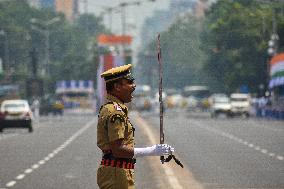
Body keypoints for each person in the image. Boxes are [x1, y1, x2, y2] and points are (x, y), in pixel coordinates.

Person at [97, 64, 174, 189]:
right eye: (129, 82)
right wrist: (152, 151)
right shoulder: (115, 112)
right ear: (117, 87)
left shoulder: (112, 108)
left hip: (117, 171)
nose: (134, 86)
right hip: (117, 174)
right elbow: (118, 150)